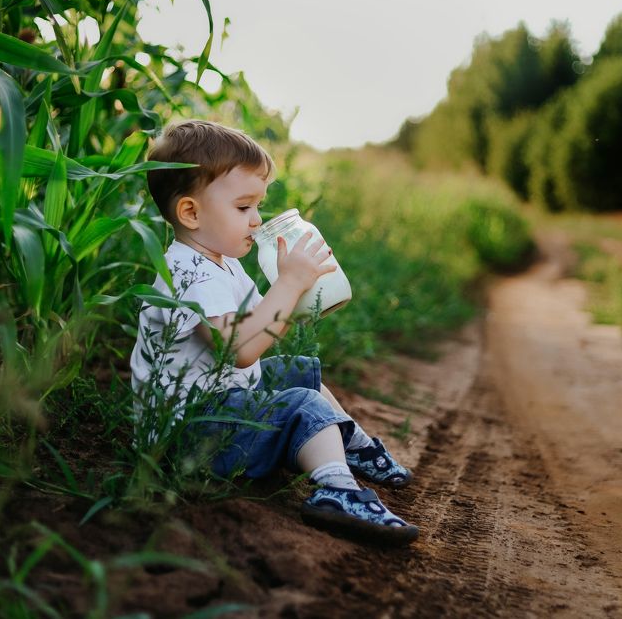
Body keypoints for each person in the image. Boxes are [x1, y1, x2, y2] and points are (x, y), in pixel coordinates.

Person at [130, 119, 418, 544]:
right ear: (190, 212)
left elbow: (259, 333)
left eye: (258, 206)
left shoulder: (220, 263)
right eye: (244, 207)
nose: (256, 220)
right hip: (191, 437)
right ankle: (337, 489)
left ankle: (349, 441)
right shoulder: (188, 273)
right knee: (299, 403)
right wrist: (288, 286)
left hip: (218, 405)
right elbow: (241, 350)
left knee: (298, 371)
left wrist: (298, 294)